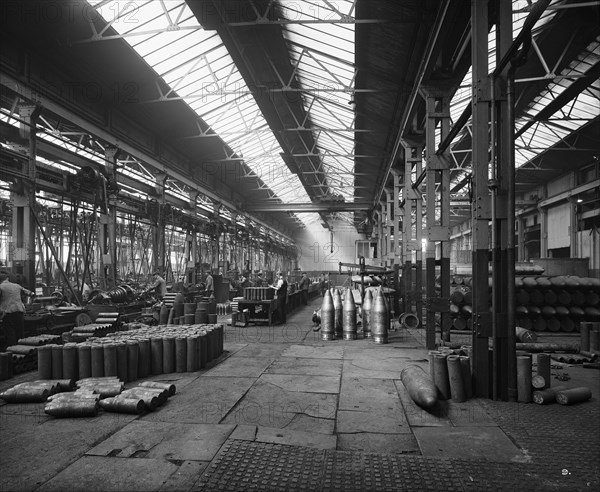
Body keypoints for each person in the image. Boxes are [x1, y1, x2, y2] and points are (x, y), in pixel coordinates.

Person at [0, 270, 35, 350]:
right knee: (19, 333)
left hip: (8, 313)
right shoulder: (16, 286)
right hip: (19, 312)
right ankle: (22, 351)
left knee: (10, 334)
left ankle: (12, 353)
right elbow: (30, 293)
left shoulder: (1, 287)